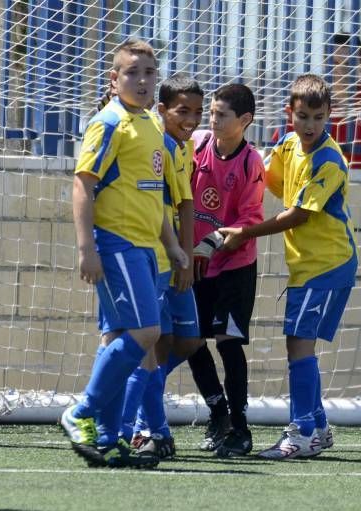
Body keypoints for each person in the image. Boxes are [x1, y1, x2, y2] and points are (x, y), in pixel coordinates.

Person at [60, 39, 187, 468]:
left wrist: (171, 244)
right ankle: (81, 413)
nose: (142, 80)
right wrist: (87, 248)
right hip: (118, 245)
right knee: (146, 333)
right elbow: (83, 184)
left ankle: (109, 437)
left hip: (147, 249)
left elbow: (154, 193)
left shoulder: (151, 124)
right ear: (114, 80)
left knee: (118, 337)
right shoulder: (109, 121)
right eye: (132, 73)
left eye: (149, 73)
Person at [219, 74, 357, 459]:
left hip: (328, 265)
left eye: (318, 117)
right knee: (299, 345)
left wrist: (245, 233)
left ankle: (301, 433)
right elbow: (264, 179)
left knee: (298, 346)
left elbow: (296, 215)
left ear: (330, 114)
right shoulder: (286, 144)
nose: (310, 125)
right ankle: (318, 427)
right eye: (303, 116)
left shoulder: (329, 159)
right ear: (289, 114)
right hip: (307, 266)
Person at [119, 73, 206, 459]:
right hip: (151, 257)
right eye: (182, 111)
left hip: (171, 257)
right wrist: (179, 255)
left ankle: (141, 417)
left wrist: (184, 256)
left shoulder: (182, 146)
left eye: (197, 112)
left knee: (185, 341)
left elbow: (186, 203)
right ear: (162, 110)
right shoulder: (155, 143)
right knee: (150, 343)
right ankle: (142, 428)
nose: (191, 119)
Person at [185, 83, 265, 458]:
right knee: (189, 339)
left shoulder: (251, 162)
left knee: (229, 342)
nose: (212, 119)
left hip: (234, 267)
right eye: (211, 112)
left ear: (244, 121)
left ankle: (240, 427)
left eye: (221, 114)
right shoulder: (198, 144)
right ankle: (217, 413)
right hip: (198, 266)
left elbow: (249, 221)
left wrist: (214, 239)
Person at [272, 32, 361, 170]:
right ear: (325, 63)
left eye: (349, 63)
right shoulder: (306, 99)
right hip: (313, 184)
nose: (341, 69)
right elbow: (274, 152)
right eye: (334, 62)